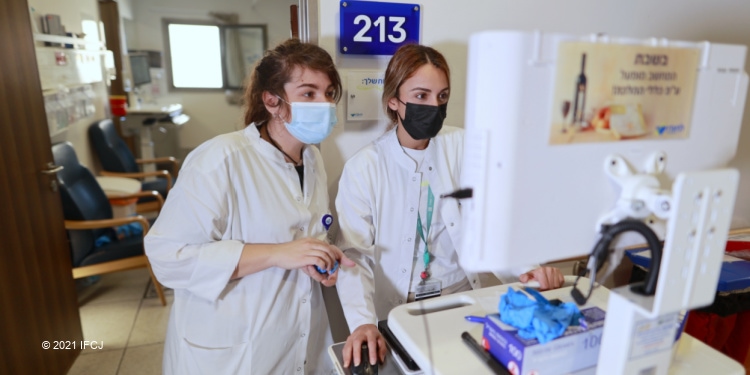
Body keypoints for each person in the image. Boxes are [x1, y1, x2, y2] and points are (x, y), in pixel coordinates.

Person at [334, 44, 565, 368]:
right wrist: (362, 321)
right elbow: (353, 254)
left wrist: (530, 267)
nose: (434, 106)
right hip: (401, 309)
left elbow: (495, 220)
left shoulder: (464, 148)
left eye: (442, 97)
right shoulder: (365, 168)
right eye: (421, 96)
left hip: (464, 299)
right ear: (394, 102)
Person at [144, 38, 354, 375]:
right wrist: (276, 253)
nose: (325, 104)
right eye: (309, 93)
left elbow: (298, 235)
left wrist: (316, 258)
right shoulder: (219, 159)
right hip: (230, 346)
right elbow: (167, 258)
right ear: (273, 101)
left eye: (329, 93)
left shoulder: (312, 158)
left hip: (292, 334)